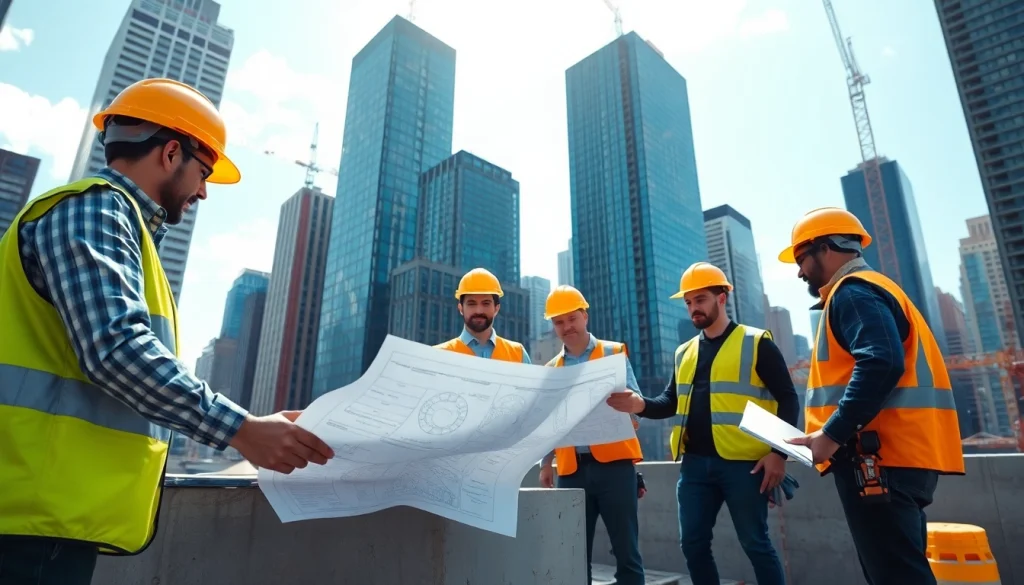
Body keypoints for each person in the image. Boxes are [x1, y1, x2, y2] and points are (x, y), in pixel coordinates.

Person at [0, 78, 334, 585]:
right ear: (171, 151)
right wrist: (243, 430)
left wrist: (255, 423)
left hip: (45, 516)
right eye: (203, 172)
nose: (203, 190)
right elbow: (116, 350)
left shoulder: (123, 228)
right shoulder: (96, 210)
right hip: (25, 523)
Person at [778, 207, 964, 585]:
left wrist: (831, 435)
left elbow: (881, 362)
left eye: (801, 259)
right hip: (896, 456)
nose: (799, 272)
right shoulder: (875, 289)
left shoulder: (854, 293)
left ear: (825, 248)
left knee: (896, 576)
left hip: (877, 459)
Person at [606, 262, 799, 585]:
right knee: (692, 544)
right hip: (695, 466)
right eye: (689, 302)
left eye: (701, 299)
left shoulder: (755, 342)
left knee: (756, 544)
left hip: (745, 464)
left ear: (722, 298)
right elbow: (671, 402)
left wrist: (778, 453)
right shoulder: (684, 352)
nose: (694, 308)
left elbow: (788, 399)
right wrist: (640, 405)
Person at [536, 285, 646, 585]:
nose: (566, 327)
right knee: (572, 553)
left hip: (616, 470)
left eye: (571, 318)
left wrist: (631, 410)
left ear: (584, 316)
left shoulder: (612, 353)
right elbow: (549, 423)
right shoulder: (552, 369)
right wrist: (546, 464)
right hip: (571, 471)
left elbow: (637, 401)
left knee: (627, 553)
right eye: (559, 322)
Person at [435, 267, 531, 364]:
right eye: (471, 304)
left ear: (496, 308)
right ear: (461, 308)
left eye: (486, 303)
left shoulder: (518, 355)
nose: (479, 310)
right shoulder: (438, 355)